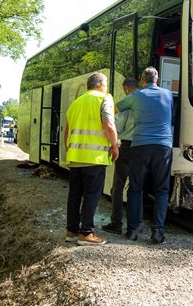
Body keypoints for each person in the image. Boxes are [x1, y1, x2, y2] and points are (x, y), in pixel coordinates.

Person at [117, 66, 173, 244]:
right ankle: (158, 231)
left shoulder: (136, 96)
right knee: (162, 190)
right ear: (157, 79)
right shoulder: (168, 94)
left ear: (142, 81)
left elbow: (116, 108)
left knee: (135, 188)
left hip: (140, 145)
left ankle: (133, 230)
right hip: (163, 146)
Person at [64, 72, 119, 246]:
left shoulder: (75, 103)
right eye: (107, 84)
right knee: (92, 195)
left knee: (75, 195)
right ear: (101, 84)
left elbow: (66, 133)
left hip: (75, 157)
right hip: (94, 157)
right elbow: (108, 124)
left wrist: (71, 151)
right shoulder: (104, 98)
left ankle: (71, 231)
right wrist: (115, 145)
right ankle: (86, 233)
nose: (107, 87)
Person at [102, 77, 140, 235]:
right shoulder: (147, 103)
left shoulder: (127, 104)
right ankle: (134, 227)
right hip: (142, 148)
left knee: (117, 187)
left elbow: (117, 127)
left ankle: (116, 223)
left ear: (126, 89)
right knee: (136, 188)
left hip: (127, 147)